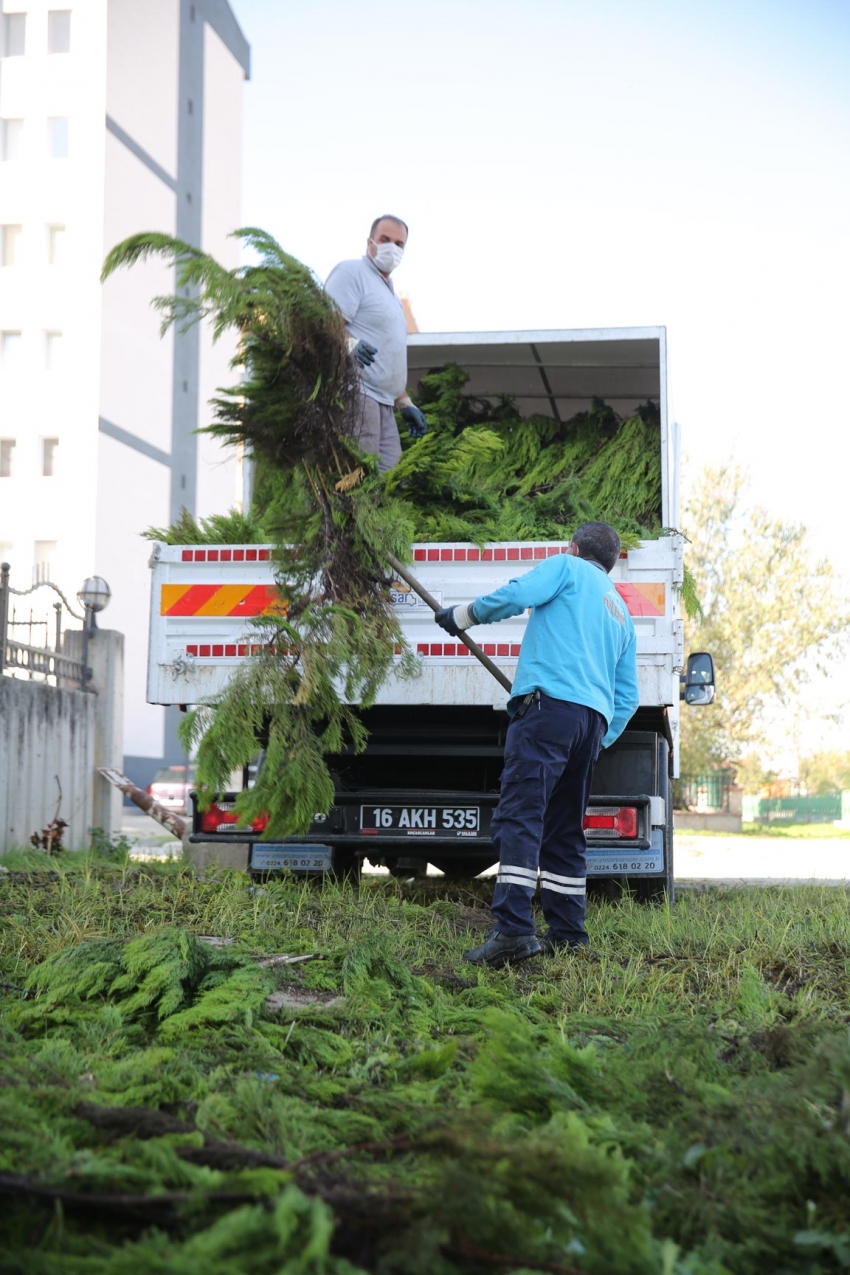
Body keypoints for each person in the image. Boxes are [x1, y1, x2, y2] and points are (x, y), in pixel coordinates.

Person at [435, 521, 640, 967]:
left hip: (547, 712)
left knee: (520, 817)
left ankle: (512, 930)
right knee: (565, 828)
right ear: (609, 563)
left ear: (574, 547)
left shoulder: (564, 567)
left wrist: (461, 616)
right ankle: (568, 932)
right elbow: (628, 697)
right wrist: (599, 738)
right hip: (590, 724)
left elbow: (515, 596)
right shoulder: (620, 612)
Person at [324, 215, 428, 472]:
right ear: (370, 242)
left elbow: (388, 357)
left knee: (388, 485)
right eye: (385, 240)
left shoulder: (390, 294)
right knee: (360, 480)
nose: (392, 247)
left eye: (399, 244)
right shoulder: (352, 272)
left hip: (384, 402)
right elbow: (324, 323)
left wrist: (404, 403)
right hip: (358, 393)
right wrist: (349, 345)